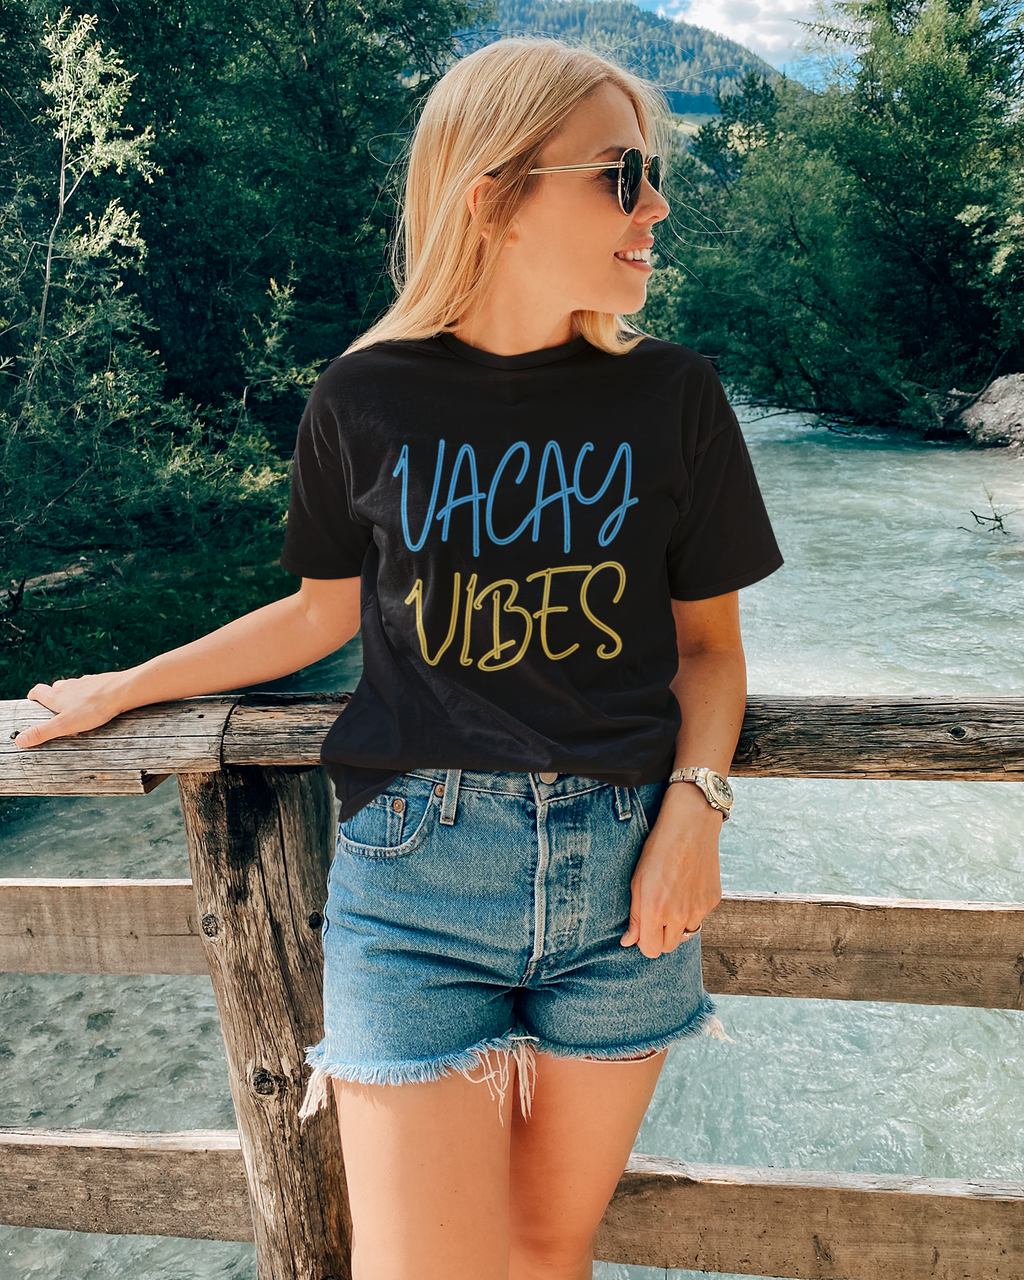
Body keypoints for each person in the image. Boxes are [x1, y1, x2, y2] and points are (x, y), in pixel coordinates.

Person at [14, 35, 783, 1280]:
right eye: (620, 173)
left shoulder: (674, 395)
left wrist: (696, 807)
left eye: (649, 174)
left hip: (626, 872)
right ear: (494, 193)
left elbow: (709, 648)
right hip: (413, 881)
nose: (654, 205)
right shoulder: (363, 394)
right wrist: (129, 685)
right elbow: (320, 612)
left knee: (544, 1251)